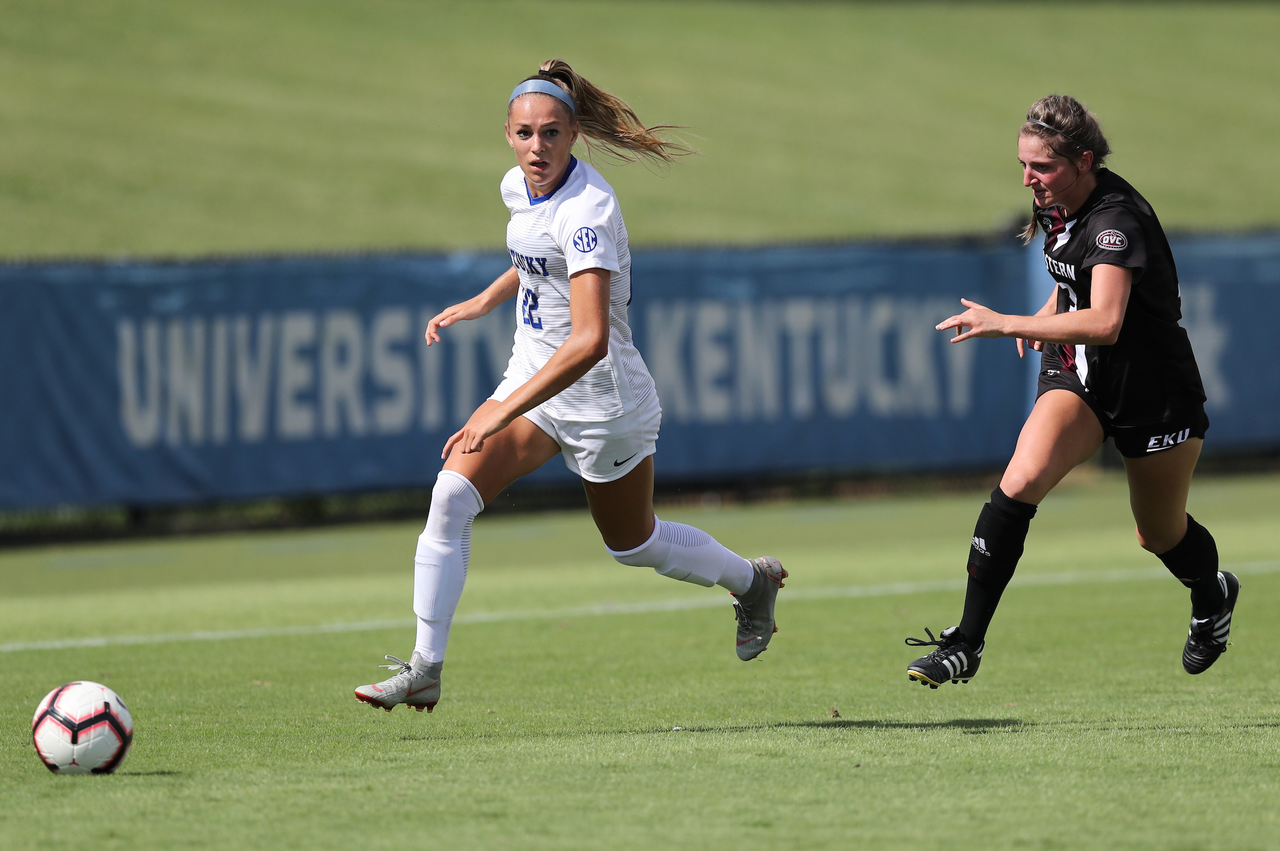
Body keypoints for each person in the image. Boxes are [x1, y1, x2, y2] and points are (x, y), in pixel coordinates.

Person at [354, 59, 786, 713]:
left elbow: (589, 341)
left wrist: (499, 410)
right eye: (525, 133)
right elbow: (534, 259)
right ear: (506, 134)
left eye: (551, 133)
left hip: (602, 402)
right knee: (449, 497)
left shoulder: (588, 209)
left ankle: (751, 582)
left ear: (574, 133)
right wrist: (484, 300)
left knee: (634, 543)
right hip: (535, 378)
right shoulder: (516, 186)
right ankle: (425, 667)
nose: (537, 147)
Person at [905, 94, 1238, 688]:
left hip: (1151, 388)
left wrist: (1011, 322)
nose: (1031, 179)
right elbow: (1074, 280)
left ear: (1084, 160)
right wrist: (1050, 307)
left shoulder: (1116, 222)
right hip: (1079, 374)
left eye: (1044, 167)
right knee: (1018, 483)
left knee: (1157, 532)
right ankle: (965, 643)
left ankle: (1212, 594)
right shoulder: (1059, 203)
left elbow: (1107, 321)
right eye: (1024, 166)